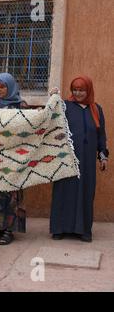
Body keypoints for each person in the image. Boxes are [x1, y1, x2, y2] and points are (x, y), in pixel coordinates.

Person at [49, 76, 108, 242]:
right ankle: (59, 228)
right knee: (64, 190)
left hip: (87, 160)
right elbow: (51, 116)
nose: (78, 93)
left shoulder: (96, 109)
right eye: (75, 89)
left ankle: (83, 230)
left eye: (81, 90)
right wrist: (53, 97)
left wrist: (103, 155)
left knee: (85, 191)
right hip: (66, 157)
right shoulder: (65, 106)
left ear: (88, 90)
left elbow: (101, 134)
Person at [0, 72, 28, 245]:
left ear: (10, 87)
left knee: (10, 194)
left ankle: (9, 230)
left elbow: (27, 128)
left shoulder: (20, 106)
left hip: (13, 156)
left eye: (3, 86)